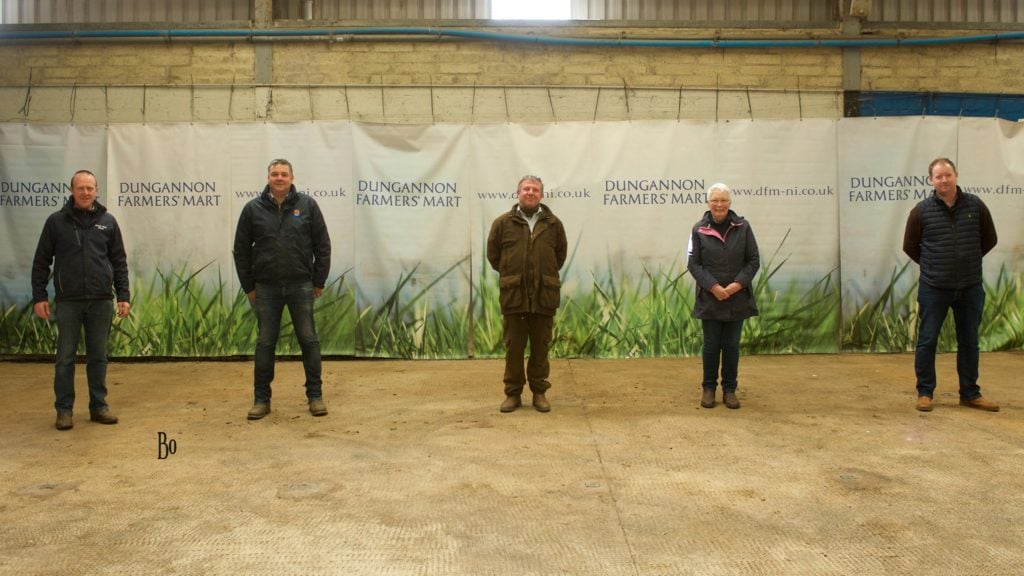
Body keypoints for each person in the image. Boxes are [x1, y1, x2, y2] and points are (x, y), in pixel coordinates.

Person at [31, 169, 131, 431]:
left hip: (101, 301)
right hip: (69, 302)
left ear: (96, 190)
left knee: (98, 356)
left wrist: (123, 295)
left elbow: (119, 261)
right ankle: (64, 410)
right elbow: (41, 261)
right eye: (80, 188)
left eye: (90, 188)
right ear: (72, 191)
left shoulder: (108, 222)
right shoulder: (56, 222)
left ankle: (99, 407)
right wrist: (40, 296)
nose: (85, 192)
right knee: (65, 358)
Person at [233, 159, 332, 420]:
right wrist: (249, 286)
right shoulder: (252, 209)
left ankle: (315, 397)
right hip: (266, 288)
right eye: (275, 174)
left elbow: (322, 245)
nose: (279, 178)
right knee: (265, 344)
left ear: (291, 178)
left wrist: (318, 281)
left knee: (309, 341)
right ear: (268, 178)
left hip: (301, 285)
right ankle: (261, 400)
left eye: (284, 174)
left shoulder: (308, 205)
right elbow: (241, 251)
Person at [903, 158, 999, 413]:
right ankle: (925, 392)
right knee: (927, 340)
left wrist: (967, 261)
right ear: (931, 180)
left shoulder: (976, 206)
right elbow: (910, 246)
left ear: (956, 175)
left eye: (947, 175)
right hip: (934, 287)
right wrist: (935, 265)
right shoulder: (921, 211)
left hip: (970, 286)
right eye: (938, 176)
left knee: (969, 341)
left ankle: (970, 393)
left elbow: (989, 239)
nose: (943, 180)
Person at [486, 175, 568, 413]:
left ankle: (539, 393)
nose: (530, 192)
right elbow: (494, 256)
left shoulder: (554, 224)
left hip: (544, 297)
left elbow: (559, 256)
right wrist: (513, 276)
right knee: (514, 348)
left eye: (535, 190)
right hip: (514, 297)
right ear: (518, 193)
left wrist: (542, 275)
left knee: (541, 348)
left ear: (541, 195)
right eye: (526, 189)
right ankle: (513, 394)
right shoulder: (502, 223)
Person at [687, 183, 760, 410]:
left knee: (731, 346)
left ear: (730, 203)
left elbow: (753, 261)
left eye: (723, 200)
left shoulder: (743, 227)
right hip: (710, 299)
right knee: (711, 346)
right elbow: (693, 264)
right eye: (715, 200)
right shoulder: (698, 229)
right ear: (708, 203)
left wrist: (736, 285)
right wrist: (714, 287)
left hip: (737, 299)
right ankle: (709, 389)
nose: (719, 204)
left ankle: (730, 390)